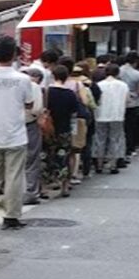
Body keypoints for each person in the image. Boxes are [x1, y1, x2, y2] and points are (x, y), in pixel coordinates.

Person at [0, 36, 34, 230]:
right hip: (16, 135)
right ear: (14, 54)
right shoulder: (23, 79)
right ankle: (11, 216)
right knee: (14, 178)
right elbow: (29, 104)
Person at [43, 65, 80, 198]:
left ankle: (44, 188)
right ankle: (64, 185)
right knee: (64, 156)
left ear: (53, 76)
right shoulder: (70, 94)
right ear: (66, 77)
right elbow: (75, 112)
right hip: (64, 129)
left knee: (46, 156)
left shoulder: (47, 92)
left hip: (48, 130)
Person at [92, 64, 129, 174]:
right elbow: (127, 100)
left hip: (100, 115)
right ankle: (113, 165)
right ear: (117, 73)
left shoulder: (99, 85)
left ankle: (99, 164)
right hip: (117, 115)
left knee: (100, 139)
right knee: (115, 139)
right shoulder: (123, 85)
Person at [22, 68, 45, 205]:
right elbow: (37, 109)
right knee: (31, 159)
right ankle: (30, 192)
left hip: (5, 126)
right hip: (29, 123)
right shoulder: (34, 87)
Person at [119, 53, 139, 156]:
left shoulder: (118, 71)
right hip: (133, 102)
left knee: (120, 127)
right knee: (131, 127)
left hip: (119, 101)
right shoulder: (138, 74)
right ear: (135, 62)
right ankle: (130, 148)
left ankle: (120, 148)